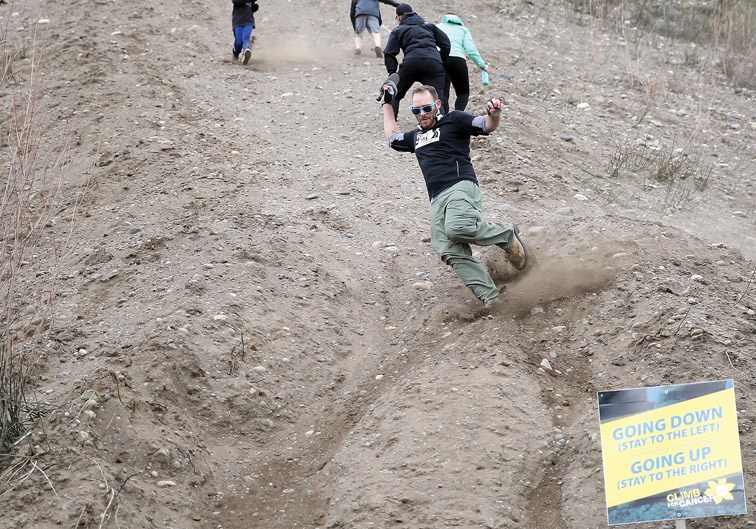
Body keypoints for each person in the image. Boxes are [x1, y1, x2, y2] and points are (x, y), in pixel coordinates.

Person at [379, 83, 528, 308]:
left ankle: (507, 234)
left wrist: (494, 114)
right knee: (447, 248)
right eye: (416, 111)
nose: (422, 114)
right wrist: (387, 102)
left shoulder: (454, 120)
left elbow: (486, 125)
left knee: (457, 227)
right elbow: (392, 137)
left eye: (426, 108)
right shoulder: (416, 137)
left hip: (460, 187)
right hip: (437, 200)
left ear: (437, 105)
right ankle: (492, 298)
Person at [383, 4, 451, 120]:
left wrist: (393, 74)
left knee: (395, 94)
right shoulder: (429, 26)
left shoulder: (398, 30)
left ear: (399, 17)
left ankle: (391, 124)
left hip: (411, 63)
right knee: (437, 97)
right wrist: (438, 60)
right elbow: (446, 44)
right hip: (432, 63)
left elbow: (389, 53)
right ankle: (441, 127)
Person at [436, 13, 489, 112]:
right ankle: (457, 116)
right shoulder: (464, 30)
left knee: (443, 94)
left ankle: (443, 119)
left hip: (441, 59)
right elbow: (471, 50)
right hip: (458, 61)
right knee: (463, 93)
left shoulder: (438, 27)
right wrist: (482, 65)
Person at [232, 0, 259, 65]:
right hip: (238, 22)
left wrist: (254, 7)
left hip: (248, 21)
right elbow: (237, 2)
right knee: (238, 42)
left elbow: (251, 7)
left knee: (246, 37)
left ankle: (246, 52)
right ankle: (236, 53)